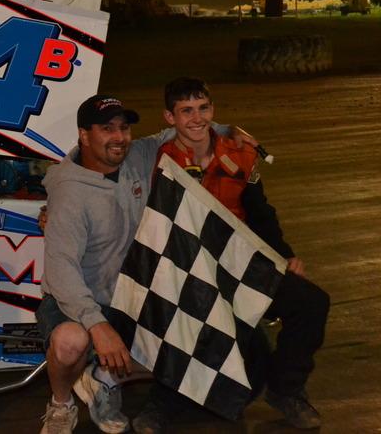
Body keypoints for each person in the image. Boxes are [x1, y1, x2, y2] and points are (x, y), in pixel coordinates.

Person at [36, 94, 245, 434]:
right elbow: (61, 271)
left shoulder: (139, 155)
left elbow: (183, 129)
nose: (119, 137)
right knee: (70, 342)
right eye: (107, 129)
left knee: (208, 340)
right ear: (84, 135)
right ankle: (61, 404)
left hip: (134, 296)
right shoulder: (69, 192)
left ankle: (103, 377)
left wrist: (229, 130)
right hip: (80, 301)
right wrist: (98, 326)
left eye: (124, 128)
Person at [133, 77, 330, 432]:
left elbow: (260, 212)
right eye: (186, 111)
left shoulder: (241, 153)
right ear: (169, 118)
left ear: (213, 109)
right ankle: (161, 404)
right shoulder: (160, 158)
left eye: (203, 108)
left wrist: (285, 255)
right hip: (187, 266)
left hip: (242, 263)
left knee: (312, 302)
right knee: (179, 315)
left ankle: (285, 389)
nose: (197, 118)